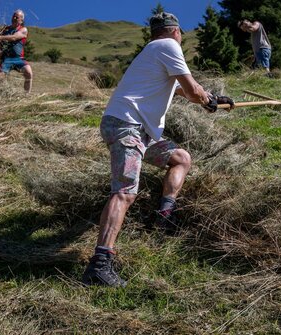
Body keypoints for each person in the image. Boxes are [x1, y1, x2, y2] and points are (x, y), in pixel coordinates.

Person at [81, 12, 235, 287]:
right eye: (180, 35)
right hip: (127, 126)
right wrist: (205, 100)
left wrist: (213, 98)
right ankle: (100, 264)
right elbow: (192, 91)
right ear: (176, 32)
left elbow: (183, 90)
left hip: (140, 131)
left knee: (181, 158)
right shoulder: (168, 47)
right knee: (125, 192)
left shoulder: (154, 54)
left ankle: (164, 217)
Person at [0, 9, 33, 93]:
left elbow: (14, 37)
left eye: (16, 17)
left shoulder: (23, 29)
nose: (14, 18)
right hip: (6, 59)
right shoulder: (5, 29)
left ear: (21, 20)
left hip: (19, 58)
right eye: (13, 16)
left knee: (29, 73)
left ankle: (26, 96)